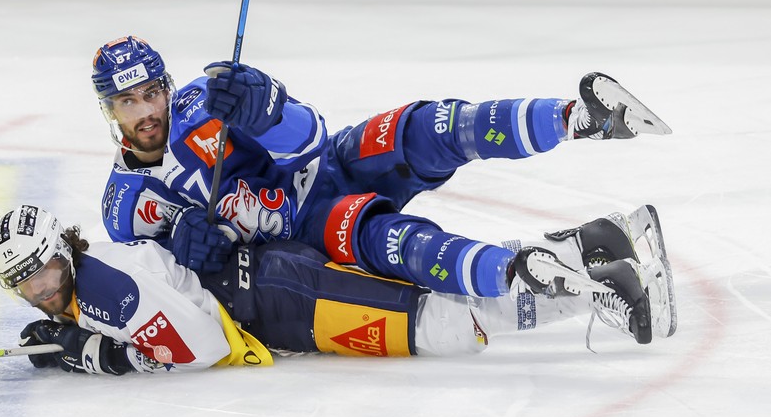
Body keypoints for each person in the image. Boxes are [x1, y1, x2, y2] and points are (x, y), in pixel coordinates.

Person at [90, 36, 672, 328]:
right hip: (308, 233)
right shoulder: (126, 204)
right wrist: (184, 253)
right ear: (107, 111)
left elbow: (308, 137)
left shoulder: (207, 99)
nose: (148, 111)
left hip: (329, 165)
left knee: (425, 128)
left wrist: (268, 108)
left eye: (153, 92)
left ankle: (580, 118)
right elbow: (162, 292)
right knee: (391, 240)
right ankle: (531, 270)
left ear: (167, 86)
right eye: (128, 102)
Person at [0, 204, 674, 376]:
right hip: (276, 288)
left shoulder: (102, 285)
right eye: (24, 285)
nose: (38, 291)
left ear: (62, 252)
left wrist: (102, 355)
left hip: (284, 300)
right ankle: (596, 241)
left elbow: (194, 346)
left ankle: (596, 287)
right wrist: (81, 337)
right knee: (432, 299)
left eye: (42, 272)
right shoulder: (89, 279)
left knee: (438, 324)